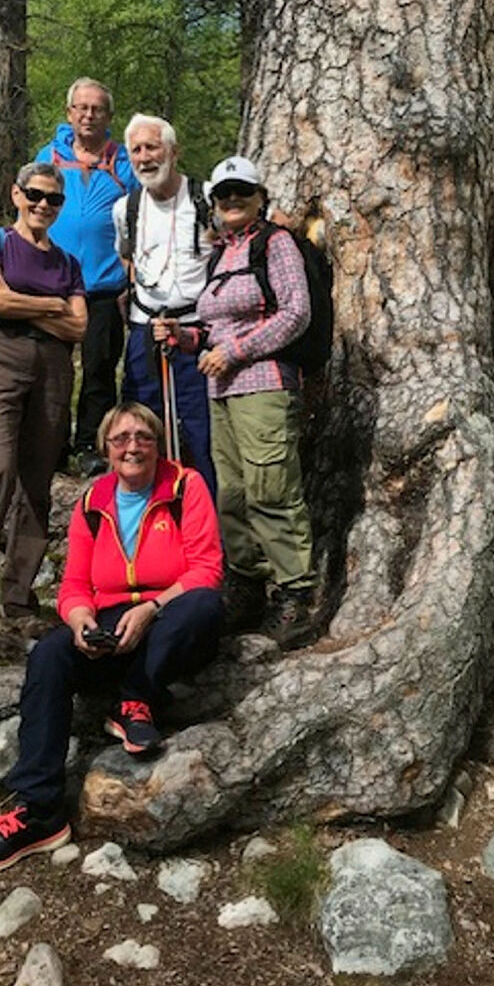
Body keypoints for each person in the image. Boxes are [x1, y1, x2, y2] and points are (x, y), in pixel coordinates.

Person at [0, 402, 223, 873]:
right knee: (48, 656)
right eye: (121, 438)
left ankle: (135, 699)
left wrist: (150, 608)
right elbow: (74, 586)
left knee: (204, 606)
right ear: (106, 448)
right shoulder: (92, 501)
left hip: (168, 618)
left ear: (158, 443)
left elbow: (206, 570)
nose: (133, 446)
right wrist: (81, 619)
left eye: (143, 436)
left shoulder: (185, 486)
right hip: (108, 622)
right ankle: (39, 810)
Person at [157, 155, 316, 648]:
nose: (231, 201)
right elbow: (214, 327)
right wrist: (186, 337)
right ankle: (246, 584)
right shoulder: (220, 255)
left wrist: (234, 351)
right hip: (220, 389)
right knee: (231, 493)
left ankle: (295, 592)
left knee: (271, 489)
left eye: (241, 192)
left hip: (264, 384)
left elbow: (296, 313)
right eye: (224, 194)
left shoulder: (277, 243)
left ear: (259, 197)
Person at [0, 162, 88, 634]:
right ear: (17, 194)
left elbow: (80, 326)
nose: (43, 204)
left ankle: (20, 600)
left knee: (38, 482)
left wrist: (20, 300)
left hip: (54, 367)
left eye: (54, 199)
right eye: (36, 195)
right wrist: (50, 304)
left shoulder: (68, 262)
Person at [35, 78, 138, 477]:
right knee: (50, 370)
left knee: (99, 370)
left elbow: (140, 219)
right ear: (69, 114)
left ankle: (89, 446)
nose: (88, 115)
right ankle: (52, 443)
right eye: (81, 107)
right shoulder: (49, 157)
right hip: (52, 285)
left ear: (109, 117)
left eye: (97, 109)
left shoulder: (125, 163)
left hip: (105, 286)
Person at [113, 113, 216, 497]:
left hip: (195, 333)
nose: (144, 158)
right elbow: (127, 256)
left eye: (152, 147)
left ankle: (203, 536)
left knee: (199, 436)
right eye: (136, 150)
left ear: (173, 151)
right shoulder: (126, 208)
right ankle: (149, 523)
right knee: (141, 431)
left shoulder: (206, 198)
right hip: (144, 332)